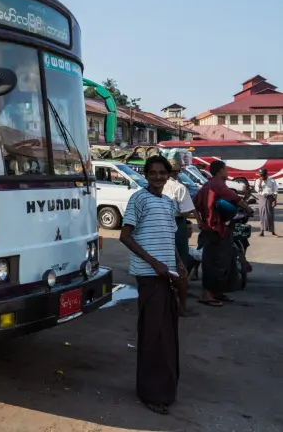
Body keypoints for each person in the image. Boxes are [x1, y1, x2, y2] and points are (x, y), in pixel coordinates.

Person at [119, 155, 186, 416]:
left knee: (167, 337)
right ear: (146, 175)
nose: (158, 177)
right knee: (153, 336)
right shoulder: (139, 199)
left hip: (167, 275)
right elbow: (125, 236)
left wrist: (178, 263)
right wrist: (153, 262)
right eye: (153, 173)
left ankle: (166, 389)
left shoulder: (169, 204)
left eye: (162, 172)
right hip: (149, 276)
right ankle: (151, 393)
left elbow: (170, 238)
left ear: (168, 175)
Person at [193, 160, 252, 307]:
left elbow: (194, 203)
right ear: (220, 171)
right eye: (226, 169)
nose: (228, 172)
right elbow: (236, 199)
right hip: (217, 229)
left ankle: (217, 292)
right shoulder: (217, 185)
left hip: (209, 228)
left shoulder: (206, 185)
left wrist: (200, 220)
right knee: (216, 262)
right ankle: (207, 295)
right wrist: (248, 209)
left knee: (222, 261)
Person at [162, 156, 201, 316]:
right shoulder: (179, 187)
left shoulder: (155, 187)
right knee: (180, 266)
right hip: (177, 225)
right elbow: (185, 212)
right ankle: (181, 306)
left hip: (160, 226)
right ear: (178, 172)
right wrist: (194, 220)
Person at [254, 168, 278, 237]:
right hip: (261, 198)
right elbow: (257, 190)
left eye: (263, 175)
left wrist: (274, 200)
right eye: (260, 175)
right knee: (262, 215)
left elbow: (275, 191)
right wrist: (260, 184)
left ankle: (272, 232)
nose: (262, 177)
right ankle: (262, 232)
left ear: (266, 174)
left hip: (270, 198)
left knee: (270, 215)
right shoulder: (258, 181)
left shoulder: (272, 181)